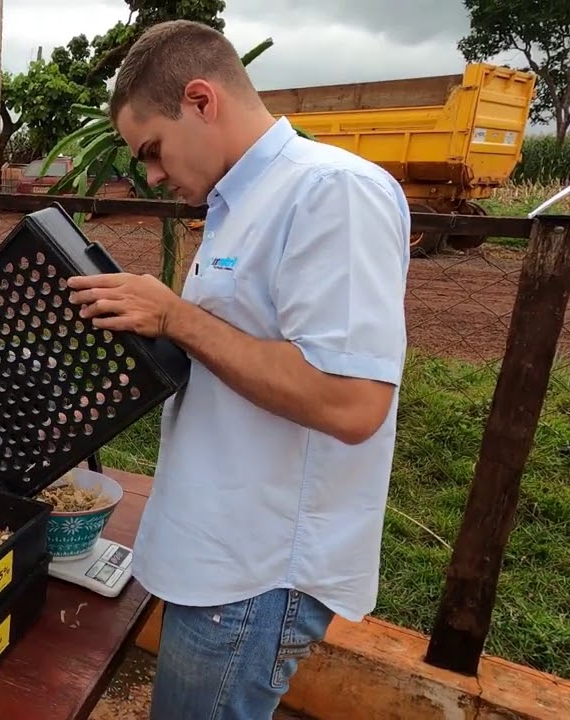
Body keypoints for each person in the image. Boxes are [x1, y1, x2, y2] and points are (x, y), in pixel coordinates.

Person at [66, 20, 409, 720]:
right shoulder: (236, 205)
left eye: (152, 151)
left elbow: (352, 404)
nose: (154, 175)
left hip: (255, 577)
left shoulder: (331, 192)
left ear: (200, 99)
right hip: (218, 551)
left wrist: (175, 318)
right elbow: (234, 357)